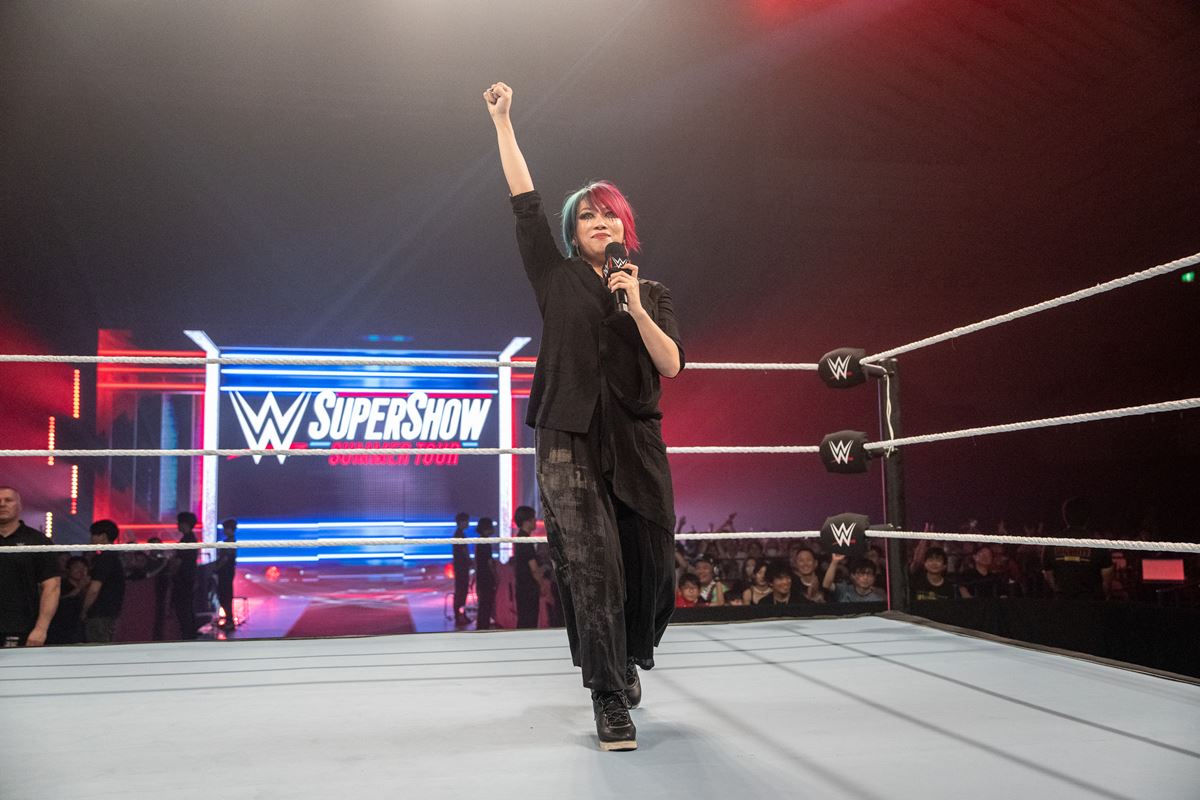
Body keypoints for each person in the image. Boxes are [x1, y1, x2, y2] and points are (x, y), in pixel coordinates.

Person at [485, 81, 684, 752]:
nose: (601, 224)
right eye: (589, 217)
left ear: (626, 228)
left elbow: (671, 365)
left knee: (653, 566)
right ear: (574, 231)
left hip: (635, 440)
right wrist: (504, 121)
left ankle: (627, 658)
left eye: (610, 217)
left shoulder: (651, 291)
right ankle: (608, 695)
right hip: (568, 438)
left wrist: (636, 307)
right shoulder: (556, 276)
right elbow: (524, 203)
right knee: (594, 567)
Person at [0, 486, 60, 647]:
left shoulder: (37, 541)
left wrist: (41, 628)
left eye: (8, 500)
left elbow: (52, 586)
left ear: (19, 505)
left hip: (21, 627)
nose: (2, 504)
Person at [1042, 497, 1113, 601]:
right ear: (1087, 518)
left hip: (1063, 602)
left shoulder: (1051, 543)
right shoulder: (1099, 544)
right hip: (1091, 603)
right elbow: (1107, 581)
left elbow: (1049, 577)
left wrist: (1062, 592)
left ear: (1065, 517)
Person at [81, 520, 125, 643]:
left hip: (100, 614)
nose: (91, 539)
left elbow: (94, 589)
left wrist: (84, 609)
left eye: (93, 535)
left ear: (103, 536)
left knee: (98, 647)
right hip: (109, 613)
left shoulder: (105, 559)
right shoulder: (113, 557)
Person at [511, 506, 542, 629]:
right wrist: (542, 584)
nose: (536, 521)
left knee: (524, 620)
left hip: (522, 586)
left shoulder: (520, 537)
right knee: (529, 621)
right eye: (533, 518)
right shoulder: (525, 540)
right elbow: (533, 568)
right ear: (526, 521)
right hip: (529, 588)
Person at [47, 556, 89, 644]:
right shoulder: (61, 584)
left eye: (83, 568)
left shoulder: (89, 586)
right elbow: (59, 601)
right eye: (77, 567)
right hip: (60, 629)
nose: (80, 571)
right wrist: (79, 588)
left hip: (79, 629)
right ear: (68, 569)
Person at [172, 511, 199, 640]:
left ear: (184, 524)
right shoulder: (192, 538)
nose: (177, 525)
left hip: (183, 578)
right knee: (188, 606)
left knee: (183, 607)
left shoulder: (186, 540)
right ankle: (191, 633)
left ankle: (186, 635)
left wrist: (171, 570)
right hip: (189, 577)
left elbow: (178, 561)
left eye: (178, 522)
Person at [216, 518, 239, 632]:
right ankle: (229, 620)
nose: (224, 531)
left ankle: (229, 621)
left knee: (225, 596)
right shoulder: (232, 541)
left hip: (225, 572)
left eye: (225, 528)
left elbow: (225, 558)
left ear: (230, 529)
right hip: (228, 572)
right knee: (226, 596)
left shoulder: (229, 543)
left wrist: (216, 568)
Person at [474, 517, 497, 630]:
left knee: (483, 603)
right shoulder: (486, 542)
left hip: (480, 576)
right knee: (486, 603)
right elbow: (489, 562)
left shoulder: (479, 541)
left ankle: (481, 626)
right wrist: (495, 576)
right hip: (487, 577)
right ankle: (484, 626)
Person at [450, 512, 472, 627]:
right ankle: (459, 616)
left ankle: (459, 615)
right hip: (462, 567)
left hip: (459, 567)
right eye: (467, 521)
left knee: (460, 591)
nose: (468, 523)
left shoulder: (458, 534)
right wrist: (470, 561)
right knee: (461, 592)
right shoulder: (460, 535)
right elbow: (464, 551)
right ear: (462, 522)